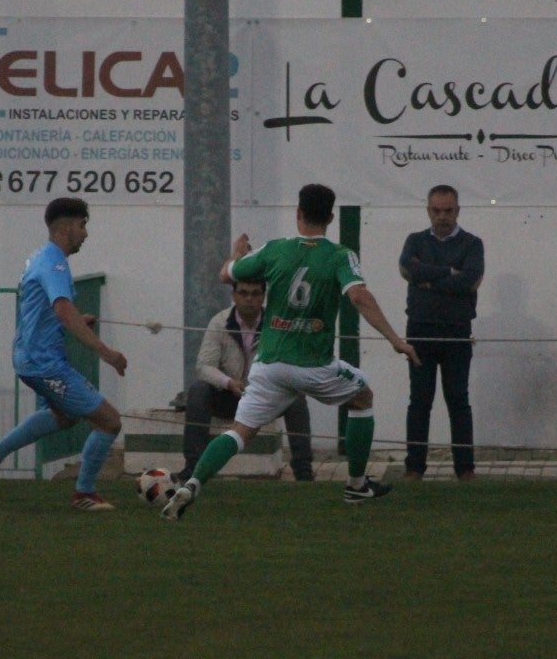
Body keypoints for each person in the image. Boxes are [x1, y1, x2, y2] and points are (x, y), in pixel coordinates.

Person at [162, 184, 420, 521]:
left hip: (269, 366)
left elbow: (226, 273)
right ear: (329, 217)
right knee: (362, 396)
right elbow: (359, 296)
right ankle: (356, 484)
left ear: (298, 213)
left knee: (239, 432)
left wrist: (237, 254)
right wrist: (394, 339)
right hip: (314, 365)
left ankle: (194, 482)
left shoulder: (274, 250)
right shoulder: (341, 255)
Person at [0, 197, 128, 511]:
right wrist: (106, 353)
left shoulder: (40, 258)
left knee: (66, 415)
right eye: (83, 226)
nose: (85, 234)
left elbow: (47, 312)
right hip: (43, 363)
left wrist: (78, 320)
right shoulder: (54, 262)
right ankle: (83, 493)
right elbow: (63, 311)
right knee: (109, 421)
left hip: (30, 358)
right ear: (66, 226)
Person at [181, 278, 315, 482]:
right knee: (198, 391)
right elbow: (203, 366)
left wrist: (268, 385)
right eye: (243, 293)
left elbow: (290, 361)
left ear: (263, 297)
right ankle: (192, 468)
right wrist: (228, 382)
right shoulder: (219, 322)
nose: (249, 299)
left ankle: (303, 471)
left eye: (255, 293)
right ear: (233, 295)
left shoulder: (277, 324)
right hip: (228, 395)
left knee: (296, 398)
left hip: (265, 396)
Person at [398, 184, 484, 482]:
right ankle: (414, 468)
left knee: (458, 399)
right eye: (437, 210)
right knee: (420, 400)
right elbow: (408, 270)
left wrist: (429, 277)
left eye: (448, 210)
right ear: (428, 211)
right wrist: (449, 272)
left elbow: (470, 282)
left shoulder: (473, 244)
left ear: (457, 211)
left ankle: (465, 468)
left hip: (457, 332)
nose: (442, 216)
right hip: (420, 331)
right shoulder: (415, 240)